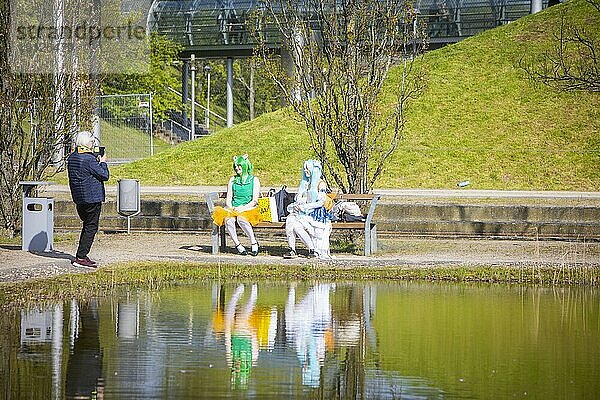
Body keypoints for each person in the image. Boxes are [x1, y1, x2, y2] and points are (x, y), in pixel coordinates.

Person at [67, 130, 109, 268]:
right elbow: (104, 175)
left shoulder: (72, 157)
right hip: (92, 198)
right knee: (91, 227)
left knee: (87, 225)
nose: (93, 144)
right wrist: (102, 162)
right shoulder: (89, 159)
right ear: (86, 143)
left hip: (79, 198)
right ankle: (81, 257)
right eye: (91, 141)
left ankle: (81, 255)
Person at [283, 159, 333, 260]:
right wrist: (298, 205)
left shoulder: (320, 184)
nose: (306, 171)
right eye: (304, 169)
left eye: (308, 169)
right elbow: (298, 198)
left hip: (315, 214)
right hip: (302, 212)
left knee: (297, 226)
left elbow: (320, 202)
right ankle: (292, 249)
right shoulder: (305, 183)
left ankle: (312, 249)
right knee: (290, 221)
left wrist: (304, 206)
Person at [212, 155, 261, 256]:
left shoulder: (254, 180)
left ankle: (253, 242)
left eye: (239, 166)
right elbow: (228, 199)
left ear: (245, 166)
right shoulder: (232, 180)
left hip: (249, 208)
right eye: (235, 166)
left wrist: (243, 208)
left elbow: (254, 200)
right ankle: (238, 245)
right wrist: (231, 207)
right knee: (228, 220)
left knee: (241, 219)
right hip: (233, 208)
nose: (237, 168)